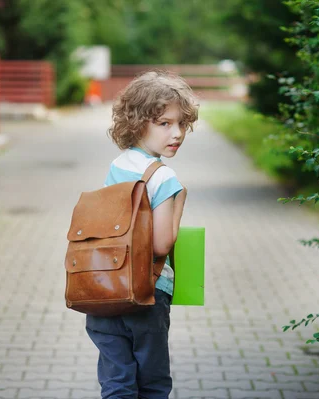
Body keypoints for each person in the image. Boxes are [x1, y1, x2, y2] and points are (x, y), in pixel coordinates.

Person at [85, 70, 199, 399]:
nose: (176, 133)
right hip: (147, 293)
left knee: (117, 381)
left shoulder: (118, 165)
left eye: (181, 124)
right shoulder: (164, 177)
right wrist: (178, 204)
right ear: (137, 122)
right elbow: (162, 242)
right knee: (152, 384)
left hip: (105, 289)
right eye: (164, 123)